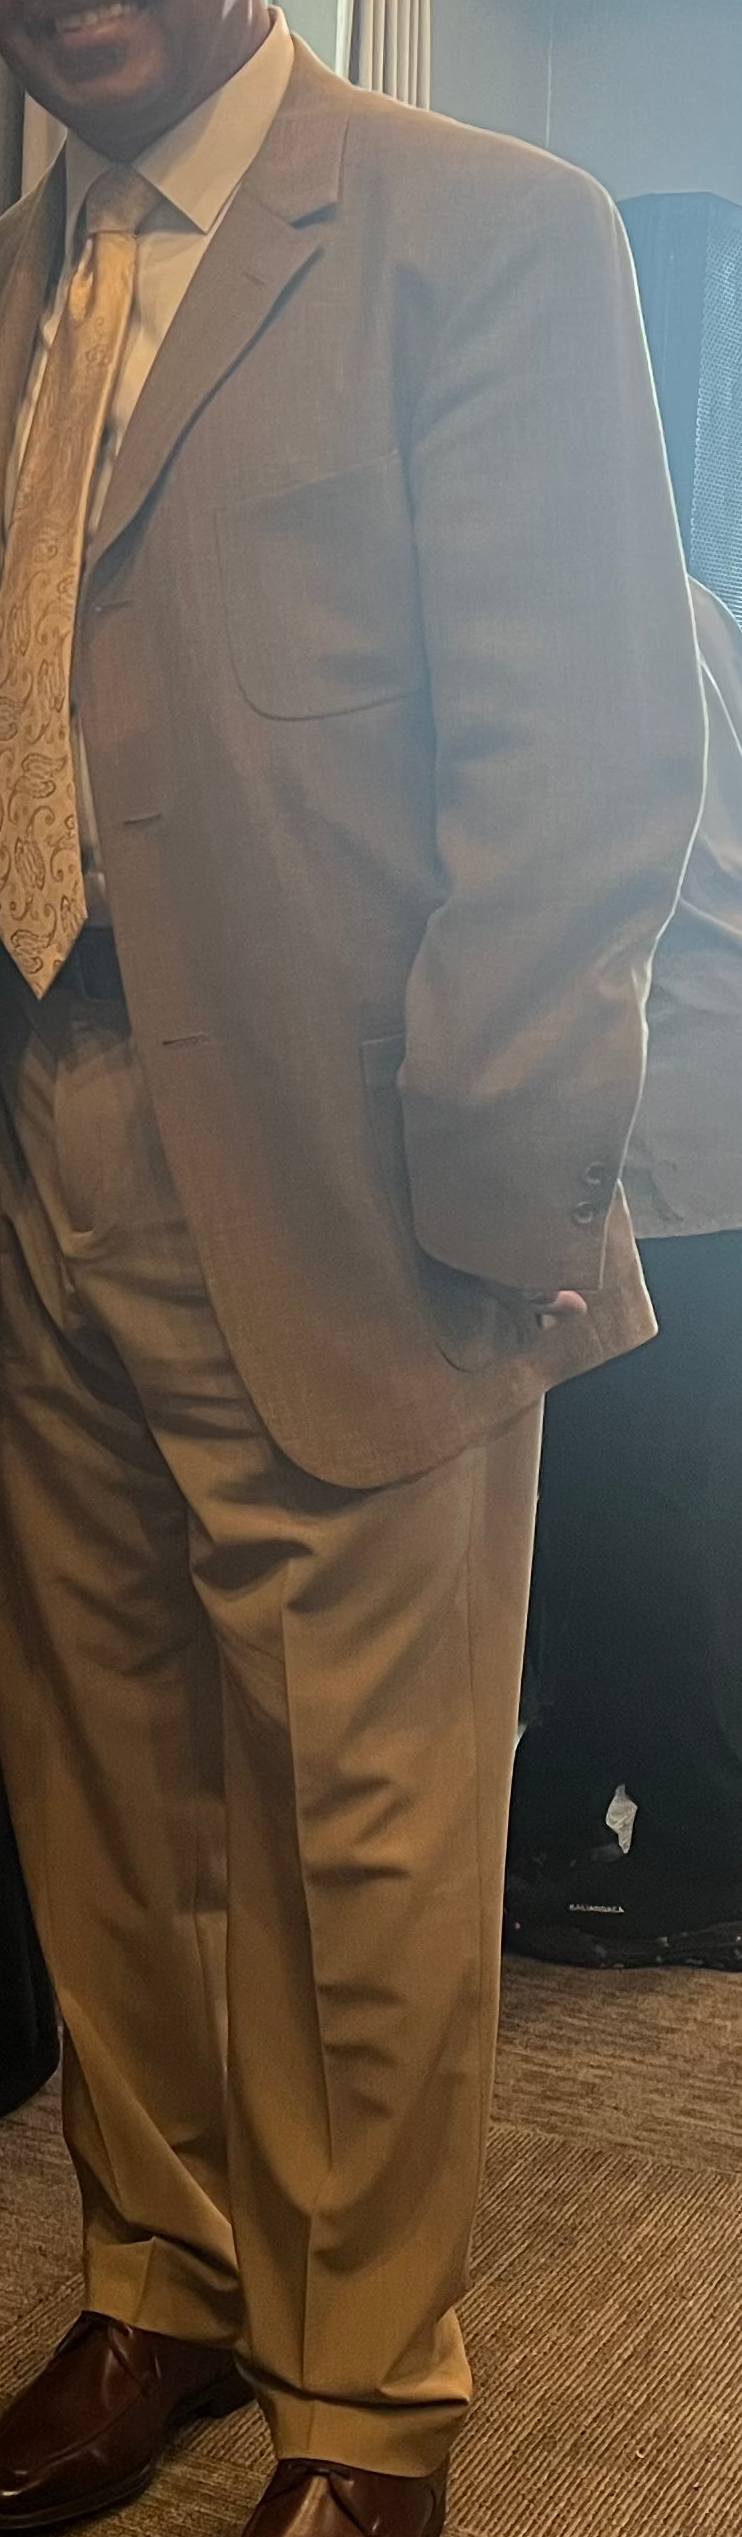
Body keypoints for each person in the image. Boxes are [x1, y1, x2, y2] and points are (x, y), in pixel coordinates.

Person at [0, 0, 704, 2537]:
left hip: (368, 1160)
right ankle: (157, 2267)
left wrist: (504, 1171)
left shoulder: (477, 225)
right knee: (110, 1773)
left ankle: (365, 2407)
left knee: (372, 1814)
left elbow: (586, 752)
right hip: (43, 1139)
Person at [510, 578, 742, 1966]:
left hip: (654, 1117)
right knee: (658, 1501)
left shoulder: (562, 612)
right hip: (707, 1106)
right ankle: (563, 1798)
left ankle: (709, 1852)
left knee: (635, 1513)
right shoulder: (691, 598)